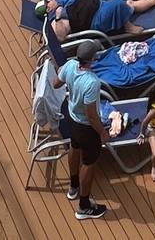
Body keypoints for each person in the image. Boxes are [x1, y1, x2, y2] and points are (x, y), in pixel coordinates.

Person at [53, 42, 111, 220]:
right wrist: (102, 132)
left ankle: (73, 188)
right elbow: (91, 115)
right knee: (89, 163)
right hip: (86, 127)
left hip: (72, 119)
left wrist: (65, 73)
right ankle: (84, 206)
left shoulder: (70, 65)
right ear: (92, 59)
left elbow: (56, 83)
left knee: (74, 146)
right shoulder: (92, 82)